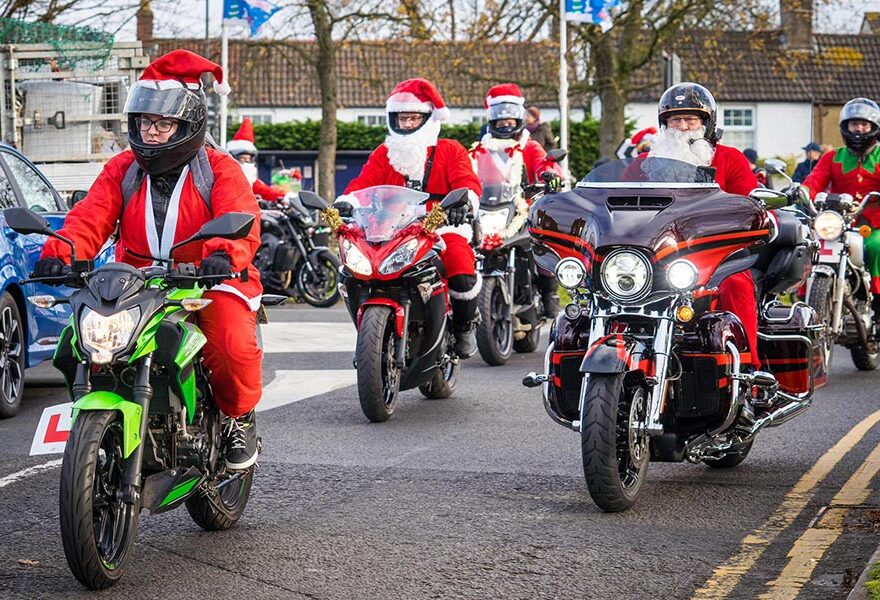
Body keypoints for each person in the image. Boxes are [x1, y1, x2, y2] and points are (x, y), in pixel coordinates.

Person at [34, 50, 263, 471]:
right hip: (134, 282)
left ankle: (238, 418)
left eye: (162, 123)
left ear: (188, 123)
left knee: (231, 343)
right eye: (144, 121)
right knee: (79, 342)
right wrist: (60, 254)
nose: (151, 132)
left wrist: (222, 256)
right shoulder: (122, 168)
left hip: (208, 278)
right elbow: (89, 217)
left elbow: (242, 219)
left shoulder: (220, 169)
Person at [336, 78, 483, 357]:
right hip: (391, 227)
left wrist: (463, 203)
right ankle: (372, 329)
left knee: (461, 268)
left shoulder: (450, 150)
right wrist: (346, 201)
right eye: (401, 118)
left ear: (427, 118)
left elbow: (467, 183)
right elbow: (363, 184)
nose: (406, 124)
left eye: (413, 118)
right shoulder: (384, 153)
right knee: (353, 270)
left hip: (442, 225)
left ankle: (464, 328)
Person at [650, 82, 762, 368]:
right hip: (658, 253)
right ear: (665, 124)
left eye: (691, 119)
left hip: (717, 254)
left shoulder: (730, 159)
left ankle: (748, 369)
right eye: (676, 119)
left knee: (736, 284)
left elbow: (752, 204)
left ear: (706, 123)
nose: (684, 126)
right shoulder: (646, 163)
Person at [469, 83, 564, 317]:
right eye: (501, 122)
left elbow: (545, 162)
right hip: (490, 207)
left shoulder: (529, 146)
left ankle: (548, 293)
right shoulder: (481, 149)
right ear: (492, 122)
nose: (505, 125)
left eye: (510, 122)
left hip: (524, 205)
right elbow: (467, 171)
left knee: (541, 242)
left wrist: (551, 175)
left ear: (519, 120)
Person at [803, 98, 880, 316]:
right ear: (845, 127)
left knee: (876, 248)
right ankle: (804, 297)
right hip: (838, 222)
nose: (858, 129)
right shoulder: (832, 156)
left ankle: (877, 303)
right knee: (809, 246)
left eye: (864, 125)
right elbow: (814, 180)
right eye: (854, 124)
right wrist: (803, 192)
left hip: (873, 223)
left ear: (874, 128)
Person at [227, 117, 287, 202]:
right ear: (233, 158)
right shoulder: (225, 178)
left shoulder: (251, 180)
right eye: (243, 158)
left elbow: (266, 191)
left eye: (248, 159)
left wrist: (287, 197)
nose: (246, 162)